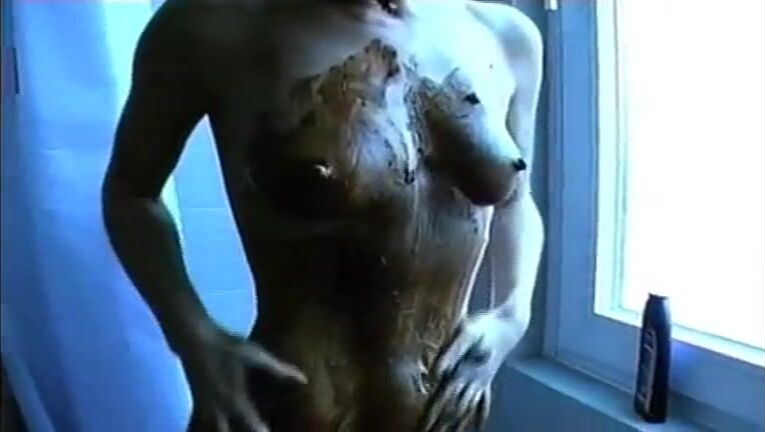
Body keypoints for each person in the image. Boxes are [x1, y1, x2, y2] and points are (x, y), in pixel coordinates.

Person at [101, 0, 544, 430]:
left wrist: (512, 315)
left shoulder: (504, 35)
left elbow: (515, 200)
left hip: (444, 412)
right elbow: (131, 193)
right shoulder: (212, 26)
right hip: (289, 410)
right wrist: (193, 337)